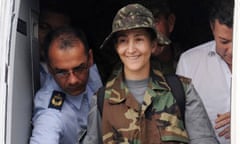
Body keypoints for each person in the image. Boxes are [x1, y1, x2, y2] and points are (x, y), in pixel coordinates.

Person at [84, 3, 219, 144]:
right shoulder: (102, 100)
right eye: (123, 41)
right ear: (117, 47)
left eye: (139, 39)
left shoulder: (181, 91)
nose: (131, 49)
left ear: (153, 44)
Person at [30, 27, 102, 144]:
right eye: (62, 72)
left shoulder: (91, 69)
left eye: (78, 69)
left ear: (90, 59)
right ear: (50, 69)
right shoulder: (52, 113)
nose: (73, 80)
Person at [176, 0, 233, 143]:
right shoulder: (189, 63)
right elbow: (179, 125)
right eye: (224, 42)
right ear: (212, 28)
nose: (233, 51)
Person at [38, 3, 102, 92]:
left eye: (59, 31)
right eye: (44, 27)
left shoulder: (87, 69)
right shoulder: (18, 69)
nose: (51, 36)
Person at [142, 0, 182, 74]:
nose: (149, 33)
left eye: (155, 21)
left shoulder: (190, 60)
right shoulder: (127, 69)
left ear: (170, 22)